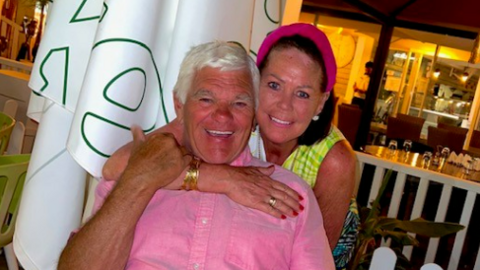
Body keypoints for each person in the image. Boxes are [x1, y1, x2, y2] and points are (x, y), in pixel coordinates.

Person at [59, 41, 335, 270]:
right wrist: (140, 180)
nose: (223, 116)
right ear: (179, 105)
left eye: (239, 103)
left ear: (254, 114)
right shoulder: (138, 173)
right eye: (206, 99)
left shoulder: (291, 194)